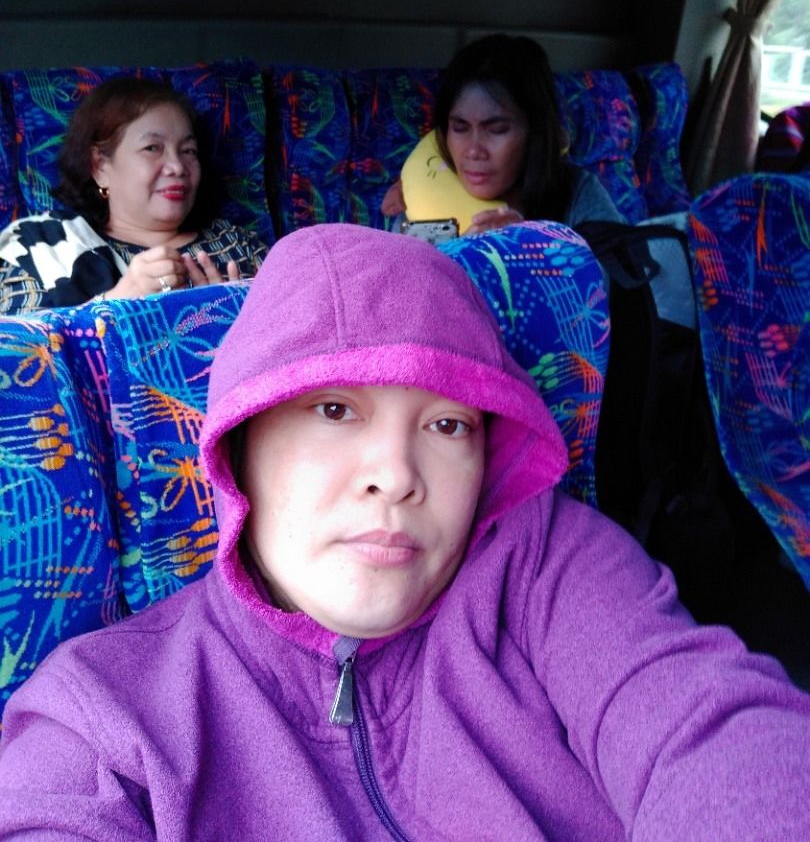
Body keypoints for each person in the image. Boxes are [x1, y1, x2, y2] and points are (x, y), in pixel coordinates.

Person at [0, 222, 808, 840]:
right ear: (240, 444)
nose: (396, 474)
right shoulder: (102, 715)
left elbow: (717, 733)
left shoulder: (549, 567)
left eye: (448, 424)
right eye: (333, 409)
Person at [0, 76, 269, 313]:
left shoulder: (237, 245)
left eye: (188, 151)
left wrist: (241, 323)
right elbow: (18, 348)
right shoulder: (40, 248)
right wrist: (117, 303)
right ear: (99, 167)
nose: (177, 166)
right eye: (152, 148)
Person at [382, 33, 624, 233]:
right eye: (460, 128)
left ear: (534, 133)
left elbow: (617, 272)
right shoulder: (421, 195)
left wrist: (529, 252)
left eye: (496, 130)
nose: (473, 151)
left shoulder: (577, 194)